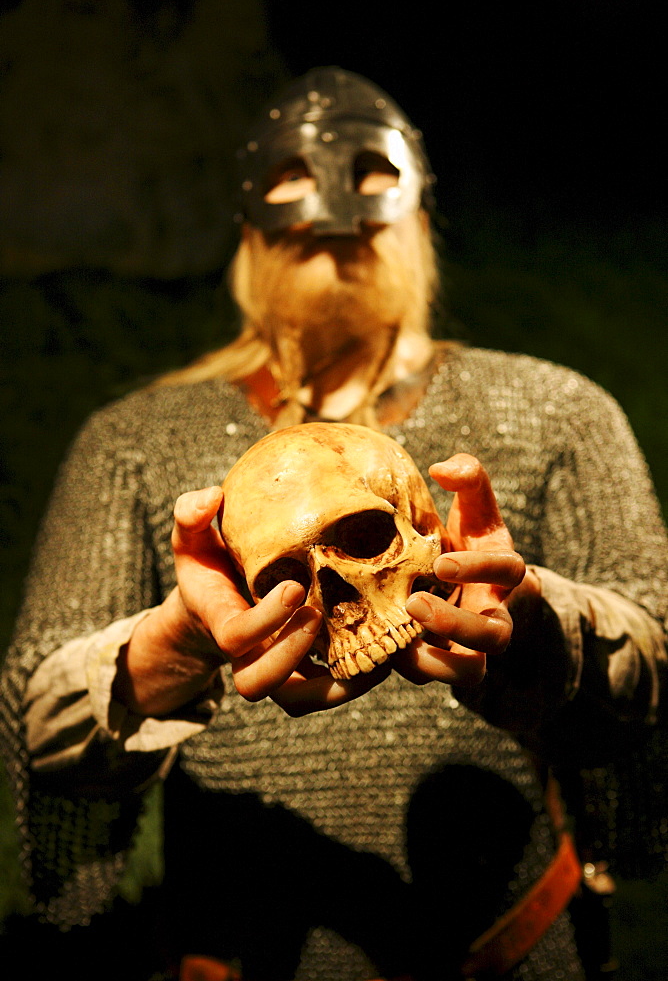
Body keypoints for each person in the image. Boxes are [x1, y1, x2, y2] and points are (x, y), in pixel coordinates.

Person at [1, 67, 666, 981]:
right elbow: (35, 722)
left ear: (422, 226)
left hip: (514, 947)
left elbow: (657, 663)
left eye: (369, 201)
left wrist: (540, 628)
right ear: (246, 240)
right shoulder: (136, 444)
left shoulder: (557, 414)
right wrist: (174, 646)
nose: (333, 235)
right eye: (291, 207)